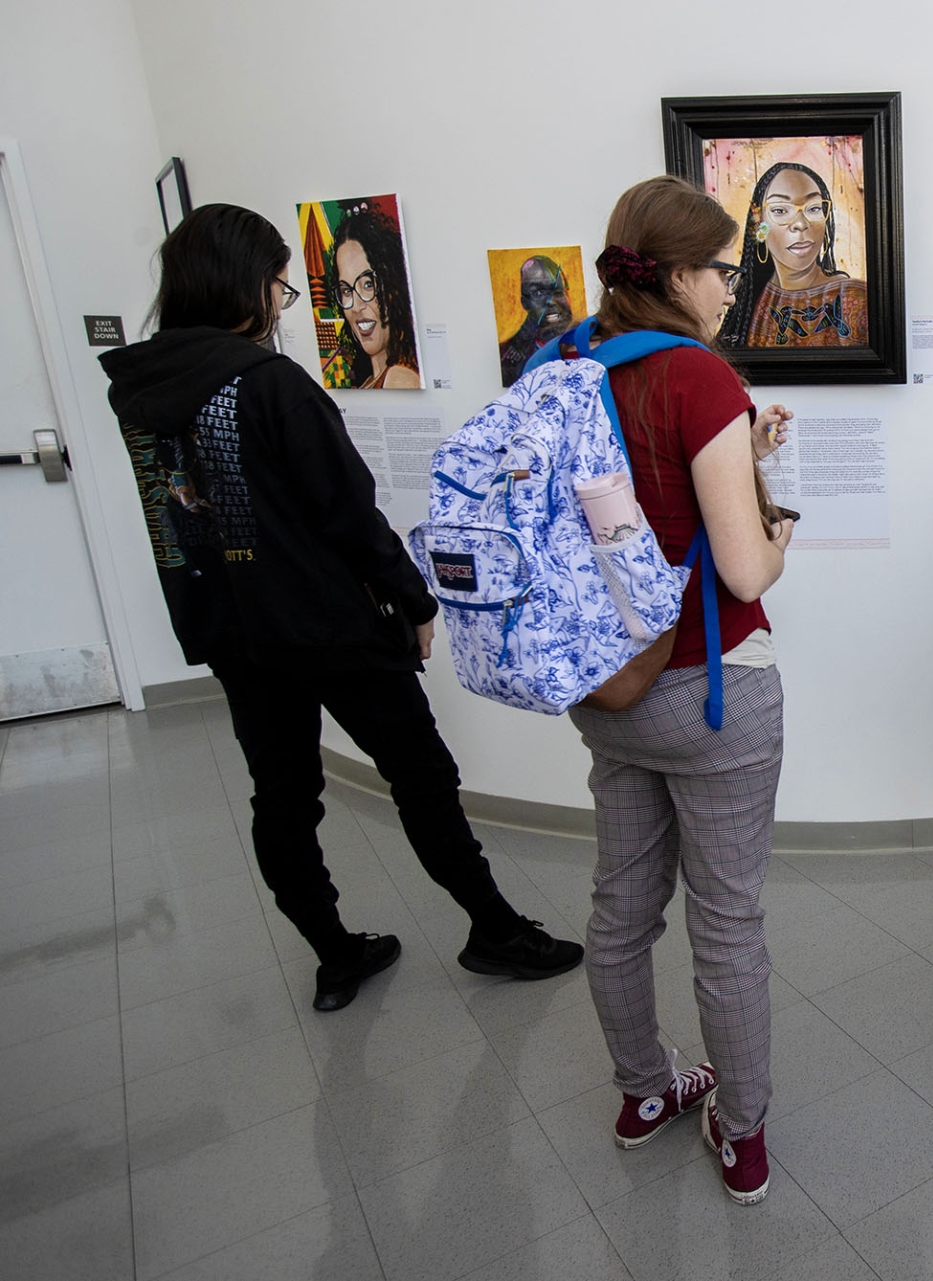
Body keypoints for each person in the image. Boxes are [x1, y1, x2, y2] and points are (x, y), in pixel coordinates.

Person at [98, 204, 583, 1012]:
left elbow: (176, 520)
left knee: (281, 795)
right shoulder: (266, 380)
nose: (281, 304)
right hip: (326, 624)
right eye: (280, 286)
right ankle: (493, 929)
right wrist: (414, 596)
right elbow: (347, 512)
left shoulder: (139, 392)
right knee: (422, 776)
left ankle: (335, 956)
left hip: (234, 632)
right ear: (243, 283)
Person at [565, 176, 795, 1207]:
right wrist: (779, 525)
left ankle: (644, 1094)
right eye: (723, 270)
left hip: (611, 693)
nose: (729, 289)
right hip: (712, 693)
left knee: (621, 911)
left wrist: (743, 452)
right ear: (682, 274)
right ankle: (740, 1138)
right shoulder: (700, 378)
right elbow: (742, 573)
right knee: (728, 923)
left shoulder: (569, 363)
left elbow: (640, 507)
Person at [716, 162, 867, 349]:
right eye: (780, 210)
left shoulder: (857, 298)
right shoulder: (745, 302)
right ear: (758, 224)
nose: (800, 224)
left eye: (813, 208)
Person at [326, 204, 421, 389]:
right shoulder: (368, 381)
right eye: (346, 291)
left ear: (393, 288)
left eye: (368, 285)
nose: (356, 306)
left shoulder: (398, 378)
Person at [498, 254, 574, 384]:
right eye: (538, 293)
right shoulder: (507, 356)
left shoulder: (589, 343)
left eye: (558, 292)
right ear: (524, 302)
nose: (551, 301)